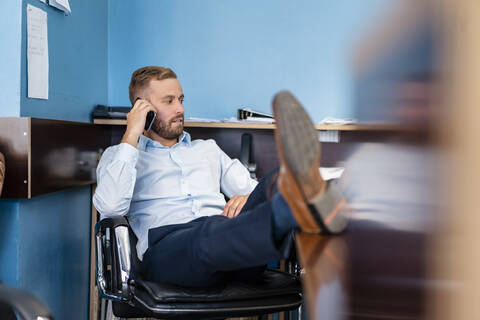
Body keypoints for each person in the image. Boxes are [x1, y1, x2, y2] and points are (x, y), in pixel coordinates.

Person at [93, 66, 346, 287]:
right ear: (141, 108)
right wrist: (131, 135)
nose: (180, 109)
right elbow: (110, 206)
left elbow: (253, 191)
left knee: (275, 181)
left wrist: (247, 197)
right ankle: (308, 208)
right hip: (170, 251)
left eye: (181, 99)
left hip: (230, 245)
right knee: (209, 231)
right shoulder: (121, 156)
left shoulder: (208, 149)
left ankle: (310, 194)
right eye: (169, 101)